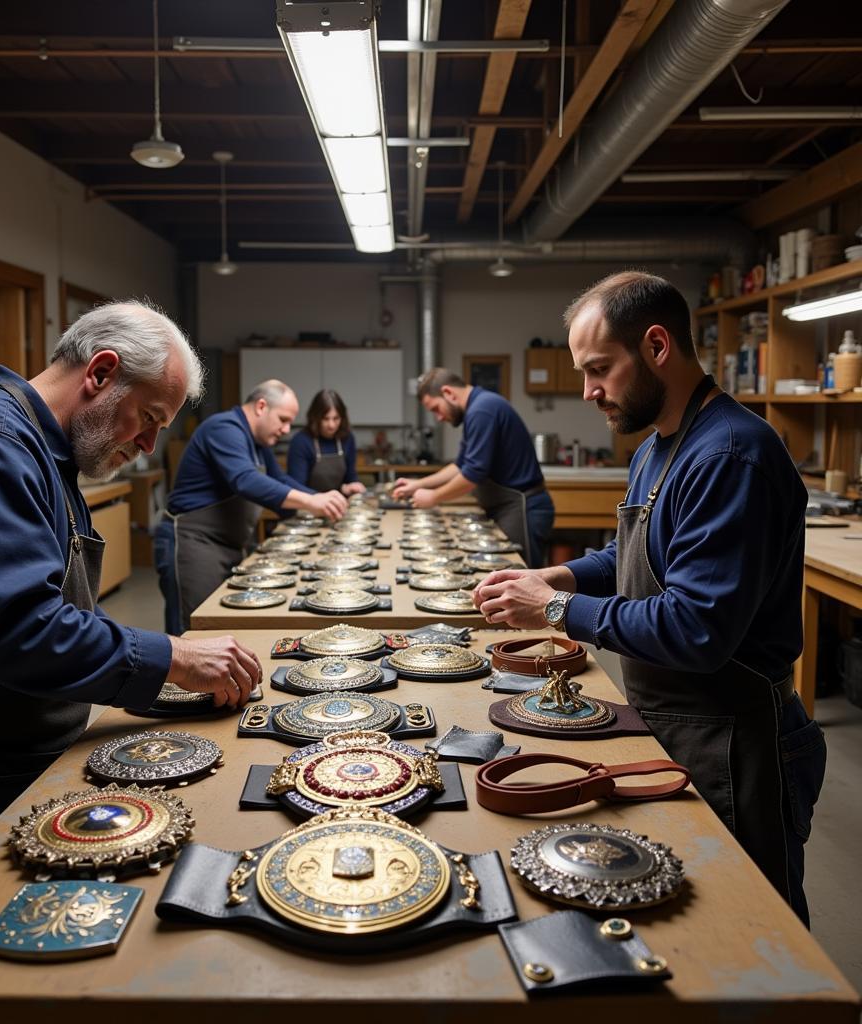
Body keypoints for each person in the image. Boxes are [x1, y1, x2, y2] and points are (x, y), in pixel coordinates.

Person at [0, 301, 262, 955]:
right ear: (100, 372)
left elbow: (57, 613)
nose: (150, 445)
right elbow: (14, 629)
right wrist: (171, 657)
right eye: (149, 419)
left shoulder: (42, 451)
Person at [473, 271, 826, 926]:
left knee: (751, 931)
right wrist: (564, 579)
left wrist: (553, 612)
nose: (589, 392)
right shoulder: (659, 446)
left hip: (735, 736)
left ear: (658, 346)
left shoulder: (730, 454)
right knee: (688, 914)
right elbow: (641, 563)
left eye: (600, 369)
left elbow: (695, 627)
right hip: (677, 721)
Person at [156, 380, 348, 632]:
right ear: (261, 406)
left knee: (220, 632)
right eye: (283, 419)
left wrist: (323, 500)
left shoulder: (258, 442)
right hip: (193, 544)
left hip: (227, 545)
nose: (287, 429)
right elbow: (246, 480)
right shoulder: (224, 428)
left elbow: (279, 480)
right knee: (194, 632)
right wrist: (312, 501)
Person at [391, 368, 554, 568]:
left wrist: (433, 497)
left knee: (521, 576)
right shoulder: (477, 409)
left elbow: (473, 474)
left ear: (448, 393)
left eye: (435, 409)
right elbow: (461, 466)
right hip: (509, 506)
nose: (438, 418)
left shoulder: (482, 410)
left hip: (523, 507)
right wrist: (418, 484)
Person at [286, 389, 367, 497]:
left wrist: (353, 486)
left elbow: (350, 477)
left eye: (336, 418)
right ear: (315, 418)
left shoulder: (347, 439)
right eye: (325, 419)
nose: (331, 425)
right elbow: (296, 488)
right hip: (307, 506)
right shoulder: (301, 442)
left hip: (337, 505)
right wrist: (323, 499)